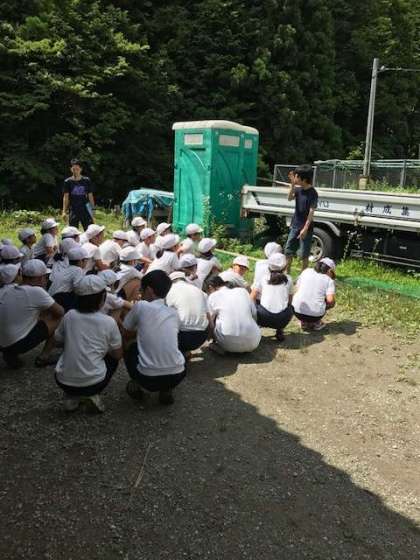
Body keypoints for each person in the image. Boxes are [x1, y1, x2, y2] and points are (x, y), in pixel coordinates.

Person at [54, 275, 123, 413]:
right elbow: (118, 355)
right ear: (102, 298)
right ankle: (91, 395)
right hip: (94, 383)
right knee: (113, 359)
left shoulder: (69, 315)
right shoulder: (108, 322)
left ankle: (72, 397)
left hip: (62, 381)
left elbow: (57, 341)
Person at [123, 270, 186, 405]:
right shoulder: (173, 313)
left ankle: (138, 386)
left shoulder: (141, 306)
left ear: (149, 290)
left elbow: (126, 333)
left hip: (148, 378)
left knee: (129, 347)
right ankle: (166, 390)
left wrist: (140, 332)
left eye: (141, 289)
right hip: (178, 374)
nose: (140, 293)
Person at [0, 259, 64, 369]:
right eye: (46, 276)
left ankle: (10, 354)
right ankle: (43, 357)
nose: (46, 279)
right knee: (57, 317)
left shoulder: (8, 289)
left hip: (2, 343)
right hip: (16, 344)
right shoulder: (36, 291)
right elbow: (60, 311)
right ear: (40, 278)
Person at [207, 276, 261, 355]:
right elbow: (254, 313)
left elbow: (210, 322)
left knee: (213, 318)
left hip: (227, 345)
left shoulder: (213, 296)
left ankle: (216, 344)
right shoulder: (243, 291)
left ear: (210, 287)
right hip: (254, 342)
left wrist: (209, 336)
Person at [250, 253, 294, 342]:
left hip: (263, 317)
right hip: (282, 319)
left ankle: (255, 329)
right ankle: (279, 330)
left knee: (255, 303)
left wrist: (253, 312)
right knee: (291, 307)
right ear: (285, 267)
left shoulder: (263, 278)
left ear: (269, 267)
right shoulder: (289, 279)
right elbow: (290, 300)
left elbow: (251, 297)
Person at [166, 271, 210, 356]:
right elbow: (209, 319)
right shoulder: (199, 290)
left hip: (181, 337)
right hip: (201, 336)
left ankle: (178, 352)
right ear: (184, 279)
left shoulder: (169, 291)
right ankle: (184, 351)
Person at [285, 164, 318, 271]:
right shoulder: (298, 190)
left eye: (296, 177)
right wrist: (292, 185)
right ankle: (286, 273)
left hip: (306, 228)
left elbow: (311, 212)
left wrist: (305, 228)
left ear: (303, 179)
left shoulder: (313, 193)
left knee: (304, 254)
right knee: (288, 250)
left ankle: (303, 276)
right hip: (295, 225)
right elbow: (289, 198)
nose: (295, 178)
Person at [292, 257, 336, 331]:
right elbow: (330, 301)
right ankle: (316, 322)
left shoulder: (306, 271)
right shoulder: (329, 280)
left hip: (296, 311)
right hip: (315, 315)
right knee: (327, 300)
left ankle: (304, 322)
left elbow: (297, 288)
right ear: (329, 271)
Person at [48, 245, 88, 312]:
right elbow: (78, 288)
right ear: (80, 261)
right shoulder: (78, 270)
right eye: (86, 260)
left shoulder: (68, 268)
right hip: (58, 300)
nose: (87, 262)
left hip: (53, 299)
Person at [62, 158, 95, 230]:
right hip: (73, 209)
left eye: (77, 169)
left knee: (89, 230)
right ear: (71, 169)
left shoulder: (86, 180)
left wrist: (93, 208)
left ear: (81, 169)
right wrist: (64, 211)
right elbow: (66, 197)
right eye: (73, 169)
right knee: (73, 231)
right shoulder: (67, 182)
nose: (75, 171)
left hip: (85, 209)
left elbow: (90, 195)